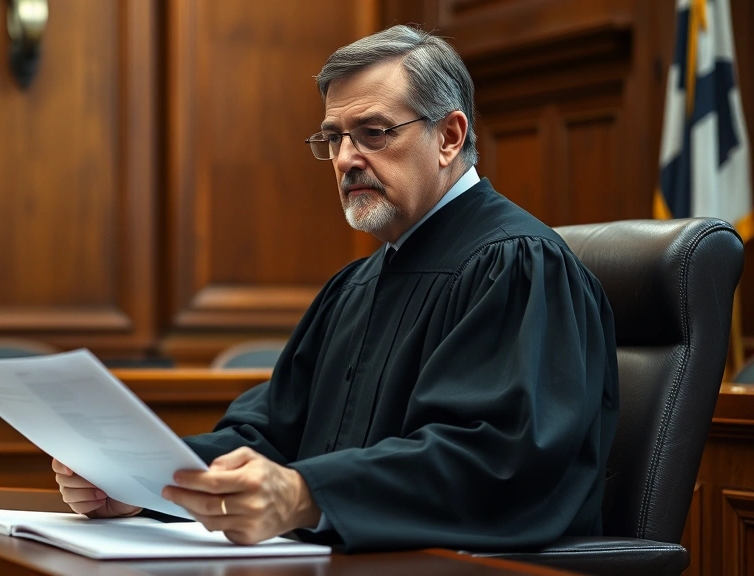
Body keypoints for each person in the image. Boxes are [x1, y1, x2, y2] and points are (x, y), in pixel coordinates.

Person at [54, 24, 619, 552]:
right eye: (333, 138)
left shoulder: (519, 264)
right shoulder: (354, 286)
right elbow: (270, 434)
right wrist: (140, 481)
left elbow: (495, 461)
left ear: (449, 136)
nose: (347, 159)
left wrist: (306, 494)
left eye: (373, 133)